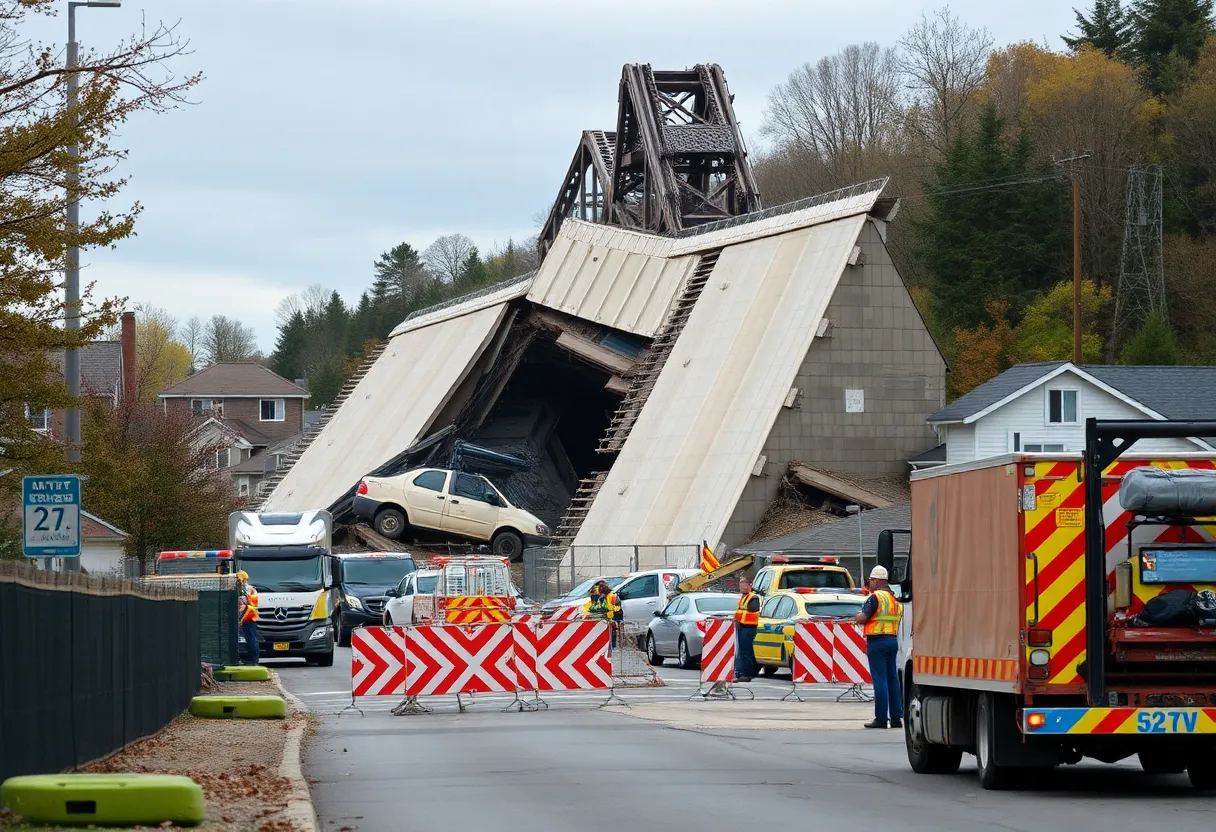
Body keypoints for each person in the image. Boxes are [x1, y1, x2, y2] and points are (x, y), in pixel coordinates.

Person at [856, 565, 903, 729]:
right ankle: (896, 718)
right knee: (892, 680)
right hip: (892, 641)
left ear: (876, 580)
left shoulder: (876, 597)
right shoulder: (894, 598)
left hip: (877, 642)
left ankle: (881, 718)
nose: (870, 584)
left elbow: (863, 618)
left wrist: (857, 616)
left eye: (871, 581)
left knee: (880, 680)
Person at [733, 577, 761, 682]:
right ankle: (741, 673)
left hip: (749, 627)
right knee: (742, 651)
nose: (740, 585)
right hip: (742, 626)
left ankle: (746, 673)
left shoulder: (753, 597)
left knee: (746, 651)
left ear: (749, 584)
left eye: (742, 583)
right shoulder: (744, 597)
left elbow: (752, 609)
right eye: (740, 583)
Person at [236, 570, 260, 666]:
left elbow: (250, 606)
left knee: (251, 639)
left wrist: (241, 619)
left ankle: (253, 660)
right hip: (245, 617)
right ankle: (250, 659)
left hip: (249, 618)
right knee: (248, 638)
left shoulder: (250, 590)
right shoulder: (242, 589)